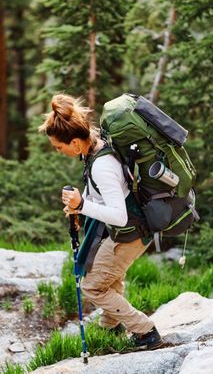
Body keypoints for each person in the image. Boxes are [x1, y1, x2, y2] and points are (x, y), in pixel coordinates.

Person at [39, 93, 163, 350]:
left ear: (74, 142)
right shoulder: (93, 148)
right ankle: (111, 323)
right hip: (127, 229)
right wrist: (78, 205)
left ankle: (145, 331)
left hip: (130, 232)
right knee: (109, 276)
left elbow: (119, 214)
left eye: (59, 147)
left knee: (93, 286)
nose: (58, 151)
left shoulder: (102, 165)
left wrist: (83, 205)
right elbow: (97, 193)